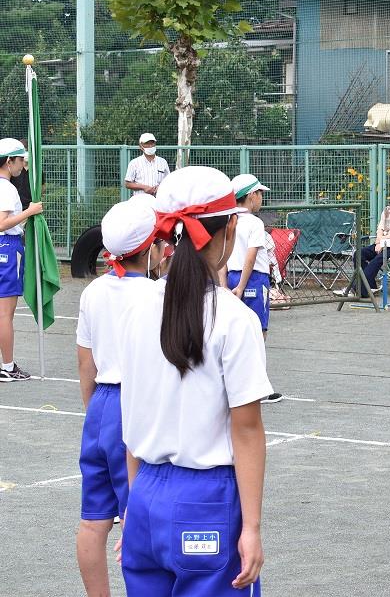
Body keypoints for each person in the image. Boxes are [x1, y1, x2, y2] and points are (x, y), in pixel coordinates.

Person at [118, 165, 273, 595]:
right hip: (206, 501)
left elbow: (131, 416)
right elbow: (246, 429)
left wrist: (135, 504)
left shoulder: (137, 311)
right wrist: (252, 526)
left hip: (146, 490)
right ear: (230, 228)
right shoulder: (233, 318)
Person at [75, 196, 162, 596]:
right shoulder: (156, 295)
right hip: (139, 405)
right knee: (137, 516)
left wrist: (95, 416)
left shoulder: (94, 291)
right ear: (150, 249)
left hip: (102, 407)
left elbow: (85, 364)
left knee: (94, 519)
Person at [226, 174, 283, 403]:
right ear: (251, 196)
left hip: (230, 277)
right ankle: (258, 388)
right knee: (259, 332)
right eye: (260, 194)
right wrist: (242, 286)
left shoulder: (228, 220)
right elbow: (251, 256)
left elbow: (224, 254)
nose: (261, 199)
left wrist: (226, 285)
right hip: (253, 281)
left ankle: (235, 383)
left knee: (233, 332)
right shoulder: (254, 223)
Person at [0, 138, 42, 383]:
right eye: (19, 160)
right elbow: (3, 223)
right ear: (9, 161)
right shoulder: (6, 187)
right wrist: (30, 211)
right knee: (6, 313)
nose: (21, 165)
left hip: (5, 246)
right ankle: (7, 366)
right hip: (7, 248)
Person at [124, 132, 170, 198]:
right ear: (140, 146)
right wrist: (143, 187)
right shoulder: (134, 163)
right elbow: (127, 184)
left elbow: (168, 181)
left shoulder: (163, 162)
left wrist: (159, 188)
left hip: (159, 200)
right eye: (147, 143)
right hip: (140, 200)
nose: (150, 146)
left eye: (152, 143)